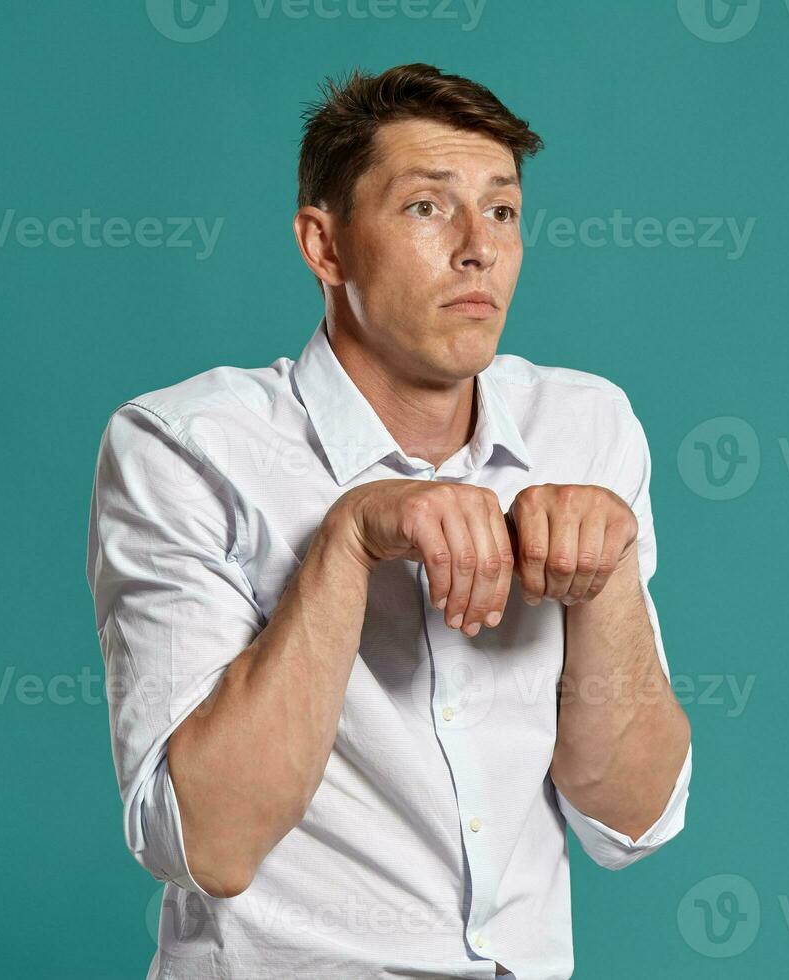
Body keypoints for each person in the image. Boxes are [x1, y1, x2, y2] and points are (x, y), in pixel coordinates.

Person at [86, 62, 693, 979]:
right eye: (425, 208)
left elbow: (632, 818)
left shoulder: (588, 426)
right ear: (323, 246)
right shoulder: (185, 446)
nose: (477, 247)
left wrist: (603, 577)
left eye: (501, 211)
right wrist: (350, 537)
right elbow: (209, 841)